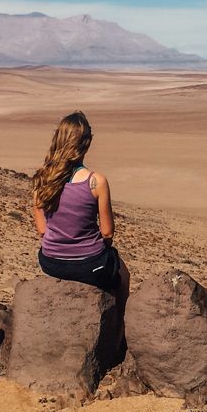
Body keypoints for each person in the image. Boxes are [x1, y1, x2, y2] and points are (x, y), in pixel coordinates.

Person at [32, 111, 129, 297]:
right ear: (86, 143)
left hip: (51, 263)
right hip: (90, 264)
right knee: (123, 274)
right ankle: (119, 323)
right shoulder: (96, 181)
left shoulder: (41, 179)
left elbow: (42, 231)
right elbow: (107, 232)